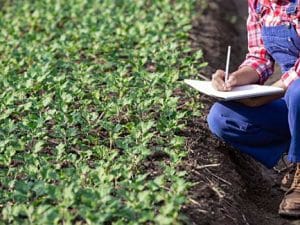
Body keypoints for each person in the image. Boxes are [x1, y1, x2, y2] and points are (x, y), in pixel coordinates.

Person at [207, 0, 300, 217]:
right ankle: (295, 157)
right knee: (222, 117)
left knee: (296, 92)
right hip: (294, 100)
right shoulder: (259, 3)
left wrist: (276, 90)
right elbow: (259, 57)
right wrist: (234, 79)